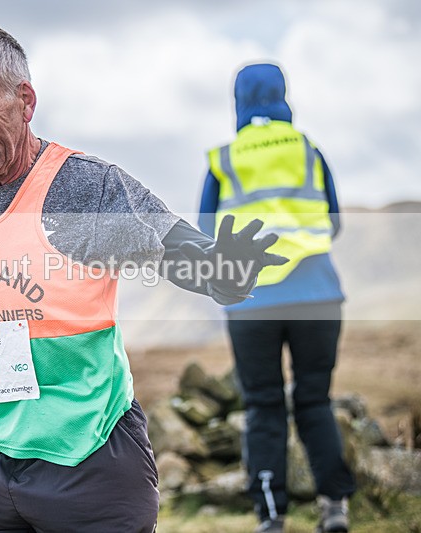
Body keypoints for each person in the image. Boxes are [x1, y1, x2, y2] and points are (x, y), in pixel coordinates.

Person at [0, 23, 286, 533]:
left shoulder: (85, 188)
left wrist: (224, 274)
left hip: (91, 464)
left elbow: (181, 253)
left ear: (25, 100)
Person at [198, 63, 356, 533]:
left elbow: (207, 231)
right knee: (314, 400)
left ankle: (270, 515)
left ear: (239, 101)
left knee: (263, 405)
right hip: (317, 295)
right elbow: (333, 221)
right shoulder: (309, 150)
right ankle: (334, 506)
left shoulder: (224, 159)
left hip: (251, 301)